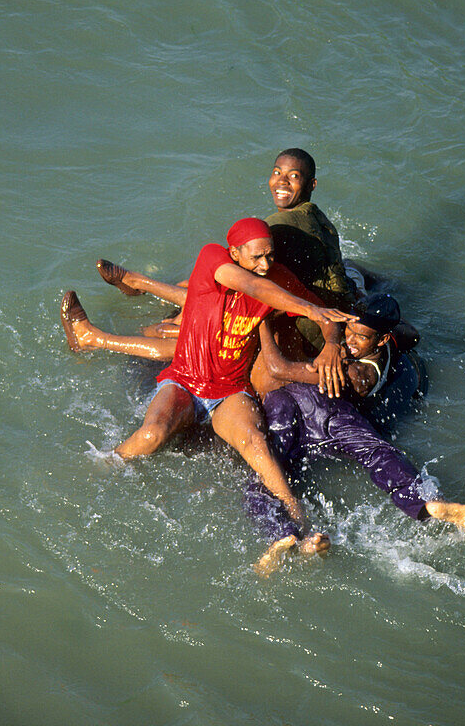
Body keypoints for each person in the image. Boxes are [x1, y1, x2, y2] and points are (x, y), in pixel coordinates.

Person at [62, 218, 358, 570]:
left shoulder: (277, 278)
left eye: (270, 257)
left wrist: (331, 343)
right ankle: (91, 473)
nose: (265, 266)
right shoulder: (212, 258)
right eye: (257, 258)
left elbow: (327, 316)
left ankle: (303, 530)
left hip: (229, 390)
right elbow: (253, 286)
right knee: (152, 433)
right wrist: (307, 308)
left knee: (256, 443)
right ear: (234, 253)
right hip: (185, 379)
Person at [245, 293, 465, 576]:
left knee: (264, 474)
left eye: (361, 337)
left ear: (381, 340)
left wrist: (262, 321)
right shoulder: (390, 343)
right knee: (379, 453)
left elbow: (277, 369)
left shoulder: (357, 373)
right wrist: (335, 341)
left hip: (292, 405)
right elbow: (411, 335)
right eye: (350, 331)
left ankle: (281, 534)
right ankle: (428, 502)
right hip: (336, 420)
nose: (352, 340)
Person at [95, 148, 420, 352]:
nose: (281, 181)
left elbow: (231, 274)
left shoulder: (279, 226)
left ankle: (135, 289)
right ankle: (136, 286)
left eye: (294, 176)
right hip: (328, 300)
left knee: (193, 307)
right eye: (277, 172)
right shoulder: (315, 215)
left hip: (310, 327)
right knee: (221, 273)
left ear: (311, 184)